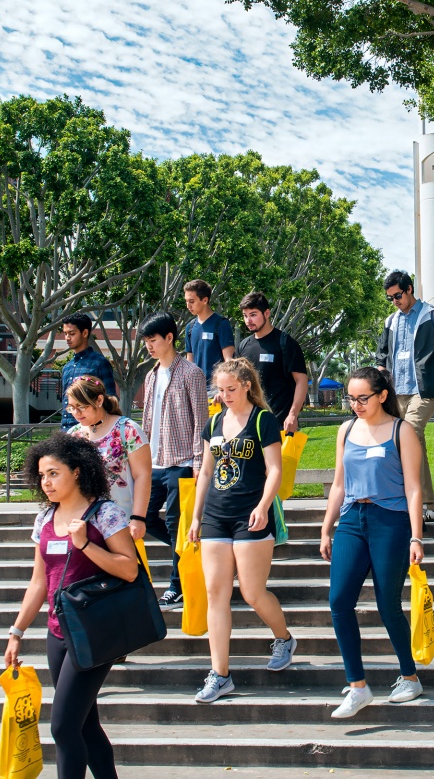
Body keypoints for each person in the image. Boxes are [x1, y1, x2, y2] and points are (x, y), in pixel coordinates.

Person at [5, 433, 138, 779]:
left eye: (54, 473)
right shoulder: (45, 520)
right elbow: (39, 582)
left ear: (77, 472)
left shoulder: (104, 513)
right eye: (42, 475)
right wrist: (16, 632)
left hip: (95, 632)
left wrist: (85, 545)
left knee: (63, 727)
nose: (46, 482)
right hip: (58, 632)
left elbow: (129, 568)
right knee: (86, 725)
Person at [188, 357, 296, 704]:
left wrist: (263, 506)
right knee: (216, 595)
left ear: (247, 385)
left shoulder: (264, 419)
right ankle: (220, 674)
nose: (224, 396)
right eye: (220, 390)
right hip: (216, 517)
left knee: (251, 592)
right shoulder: (214, 421)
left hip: (251, 514)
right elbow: (204, 472)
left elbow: (275, 470)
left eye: (231, 389)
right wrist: (195, 516)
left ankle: (284, 637)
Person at [320, 367, 425, 719]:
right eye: (351, 398)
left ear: (382, 395)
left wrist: (416, 535)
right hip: (352, 519)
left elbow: (414, 488)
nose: (356, 404)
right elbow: (338, 484)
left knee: (387, 604)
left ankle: (409, 676)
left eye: (362, 397)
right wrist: (326, 527)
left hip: (390, 521)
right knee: (338, 601)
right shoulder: (346, 430)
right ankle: (357, 686)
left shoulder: (401, 430)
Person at [375, 271, 434, 524]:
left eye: (398, 296)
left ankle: (418, 503)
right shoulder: (390, 322)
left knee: (410, 433)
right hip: (394, 393)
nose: (395, 302)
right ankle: (426, 505)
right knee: (408, 443)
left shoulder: (433, 315)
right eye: (390, 298)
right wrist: (381, 382)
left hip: (426, 391)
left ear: (409, 289)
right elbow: (382, 357)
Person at [139, 311, 208, 610]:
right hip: (153, 461)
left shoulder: (191, 373)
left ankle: (176, 585)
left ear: (169, 338)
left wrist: (198, 462)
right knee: (142, 516)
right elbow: (146, 420)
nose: (149, 347)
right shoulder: (151, 375)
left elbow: (201, 422)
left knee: (174, 523)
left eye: (153, 340)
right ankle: (195, 552)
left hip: (182, 460)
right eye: (146, 342)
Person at [65, 376, 151, 537]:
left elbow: (143, 475)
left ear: (99, 400)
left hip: (120, 522)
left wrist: (138, 517)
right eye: (71, 408)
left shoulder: (128, 430)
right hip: (81, 523)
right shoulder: (73, 435)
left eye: (81, 407)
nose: (75, 413)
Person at [237, 292, 309, 435]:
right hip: (249, 423)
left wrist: (293, 415)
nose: (248, 320)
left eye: (253, 314)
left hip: (280, 423)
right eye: (245, 315)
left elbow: (302, 381)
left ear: (267, 313)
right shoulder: (243, 346)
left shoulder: (286, 343)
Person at [58, 313, 117, 431]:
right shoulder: (67, 367)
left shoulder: (99, 363)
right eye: (65, 333)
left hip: (90, 430)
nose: (67, 338)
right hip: (66, 430)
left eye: (72, 333)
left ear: (85, 333)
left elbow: (111, 400)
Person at [184, 279, 235, 394]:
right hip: (195, 390)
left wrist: (223, 390)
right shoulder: (190, 327)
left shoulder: (221, 324)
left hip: (215, 390)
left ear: (205, 300)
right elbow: (189, 362)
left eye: (192, 301)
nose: (188, 305)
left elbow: (229, 361)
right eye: (186, 301)